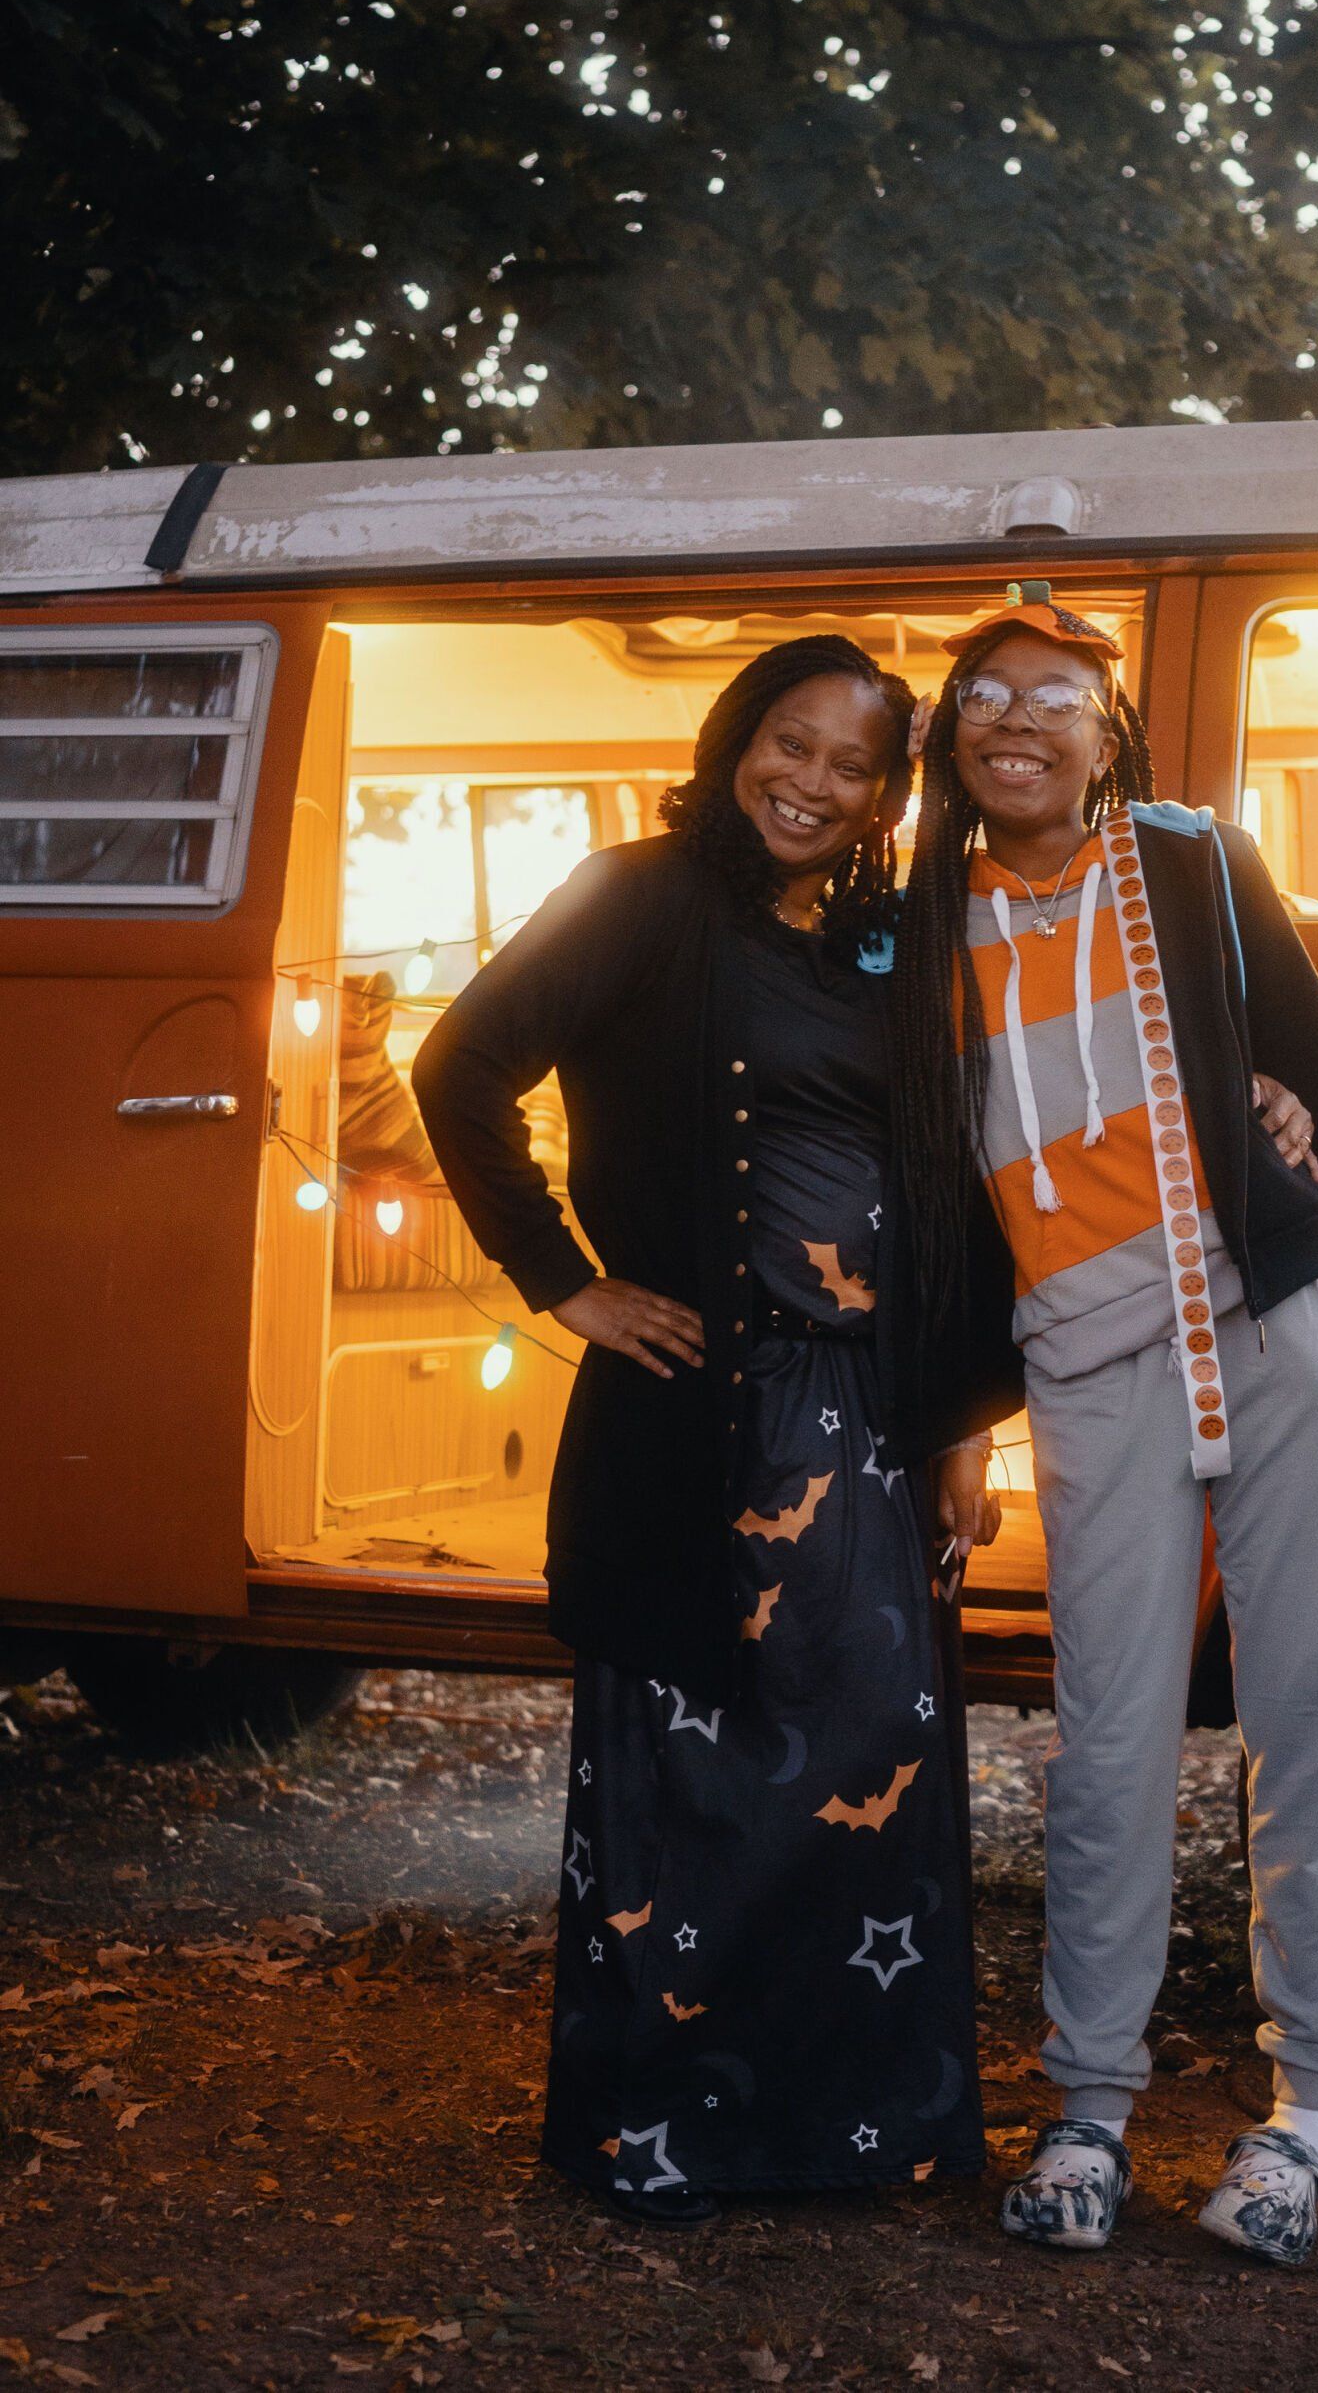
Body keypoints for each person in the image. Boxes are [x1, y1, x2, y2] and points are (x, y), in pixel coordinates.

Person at [891, 584, 1318, 2269]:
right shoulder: (916, 922)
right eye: (986, 696)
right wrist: (958, 1412)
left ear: (1108, 733)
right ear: (952, 736)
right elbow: (938, 1207)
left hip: (1274, 1314)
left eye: (1055, 697)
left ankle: (1303, 2111)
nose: (1018, 720)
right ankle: (1087, 2104)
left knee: (1305, 1706)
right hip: (1085, 1349)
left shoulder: (1190, 863)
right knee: (1109, 1734)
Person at [414, 636, 1017, 2224]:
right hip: (702, 1417)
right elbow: (462, 1065)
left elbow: (951, 1181)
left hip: (874, 1421)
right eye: (789, 741)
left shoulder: (895, 941)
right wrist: (565, 1281)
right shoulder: (636, 894)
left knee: (866, 1758)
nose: (812, 781)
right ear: (735, 736)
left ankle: (853, 2129)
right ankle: (670, 2130)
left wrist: (964, 1416)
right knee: (692, 1776)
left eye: (852, 763)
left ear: (892, 792)